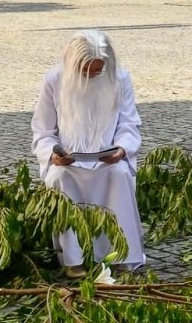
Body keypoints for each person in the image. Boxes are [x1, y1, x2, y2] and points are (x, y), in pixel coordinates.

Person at [31, 30, 145, 277]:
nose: (93, 75)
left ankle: (121, 255)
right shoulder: (54, 80)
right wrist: (54, 154)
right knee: (59, 179)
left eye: (98, 70)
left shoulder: (120, 79)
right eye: (87, 70)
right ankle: (74, 259)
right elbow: (43, 130)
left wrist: (121, 149)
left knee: (119, 174)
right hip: (68, 163)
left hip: (107, 161)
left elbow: (129, 124)